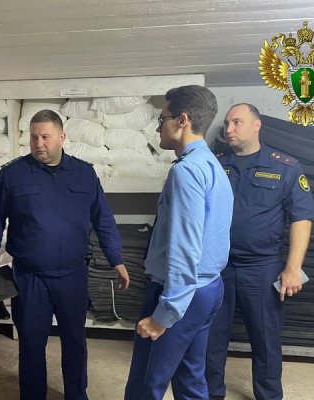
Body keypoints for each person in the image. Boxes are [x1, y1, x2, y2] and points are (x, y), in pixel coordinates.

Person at [0, 109, 130, 400]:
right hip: (30, 278)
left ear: (62, 137)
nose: (39, 144)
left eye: (46, 137)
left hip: (72, 276)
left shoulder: (84, 173)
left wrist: (116, 259)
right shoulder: (13, 174)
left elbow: (104, 219)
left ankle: (76, 395)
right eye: (34, 137)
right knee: (31, 345)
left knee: (75, 342)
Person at [124, 85, 233, 400]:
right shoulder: (212, 165)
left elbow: (185, 249)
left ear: (182, 120)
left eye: (162, 119)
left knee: (145, 384)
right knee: (190, 378)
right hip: (208, 287)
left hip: (182, 293)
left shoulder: (187, 172)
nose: (158, 127)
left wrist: (165, 315)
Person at [206, 103, 314, 400]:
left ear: (257, 125)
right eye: (227, 123)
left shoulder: (284, 167)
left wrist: (293, 268)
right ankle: (210, 394)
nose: (229, 129)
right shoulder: (215, 165)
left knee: (266, 341)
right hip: (218, 267)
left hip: (262, 267)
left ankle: (268, 396)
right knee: (210, 338)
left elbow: (301, 218)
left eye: (237, 122)